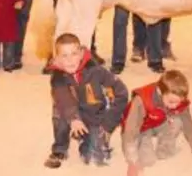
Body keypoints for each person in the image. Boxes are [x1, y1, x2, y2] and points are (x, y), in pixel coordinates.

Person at [45, 33, 129, 169]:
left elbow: (121, 92)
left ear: (81, 53)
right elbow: (63, 98)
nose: (70, 60)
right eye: (64, 56)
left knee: (95, 158)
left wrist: (108, 122)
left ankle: (86, 139)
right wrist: (74, 119)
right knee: (59, 108)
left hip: (95, 115)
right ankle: (60, 148)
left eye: (74, 54)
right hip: (71, 114)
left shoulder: (96, 71)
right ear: (57, 59)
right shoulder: (58, 77)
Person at [121, 70, 192, 176]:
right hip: (142, 127)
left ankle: (163, 146)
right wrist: (132, 161)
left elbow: (189, 124)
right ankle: (145, 143)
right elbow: (130, 131)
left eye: (178, 102)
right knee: (147, 161)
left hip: (159, 120)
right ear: (160, 92)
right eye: (171, 102)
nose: (175, 105)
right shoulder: (142, 100)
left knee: (178, 122)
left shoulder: (178, 99)